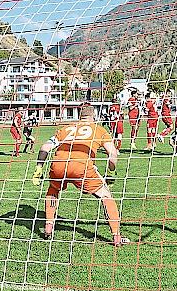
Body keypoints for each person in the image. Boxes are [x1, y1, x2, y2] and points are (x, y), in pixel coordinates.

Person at [31, 103, 129, 246]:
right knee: (106, 196)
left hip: (58, 165)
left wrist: (39, 168)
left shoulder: (66, 129)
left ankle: (48, 227)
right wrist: (111, 172)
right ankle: (116, 237)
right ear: (93, 115)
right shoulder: (99, 129)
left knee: (53, 190)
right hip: (81, 167)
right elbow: (112, 153)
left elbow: (45, 147)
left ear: (79, 115)